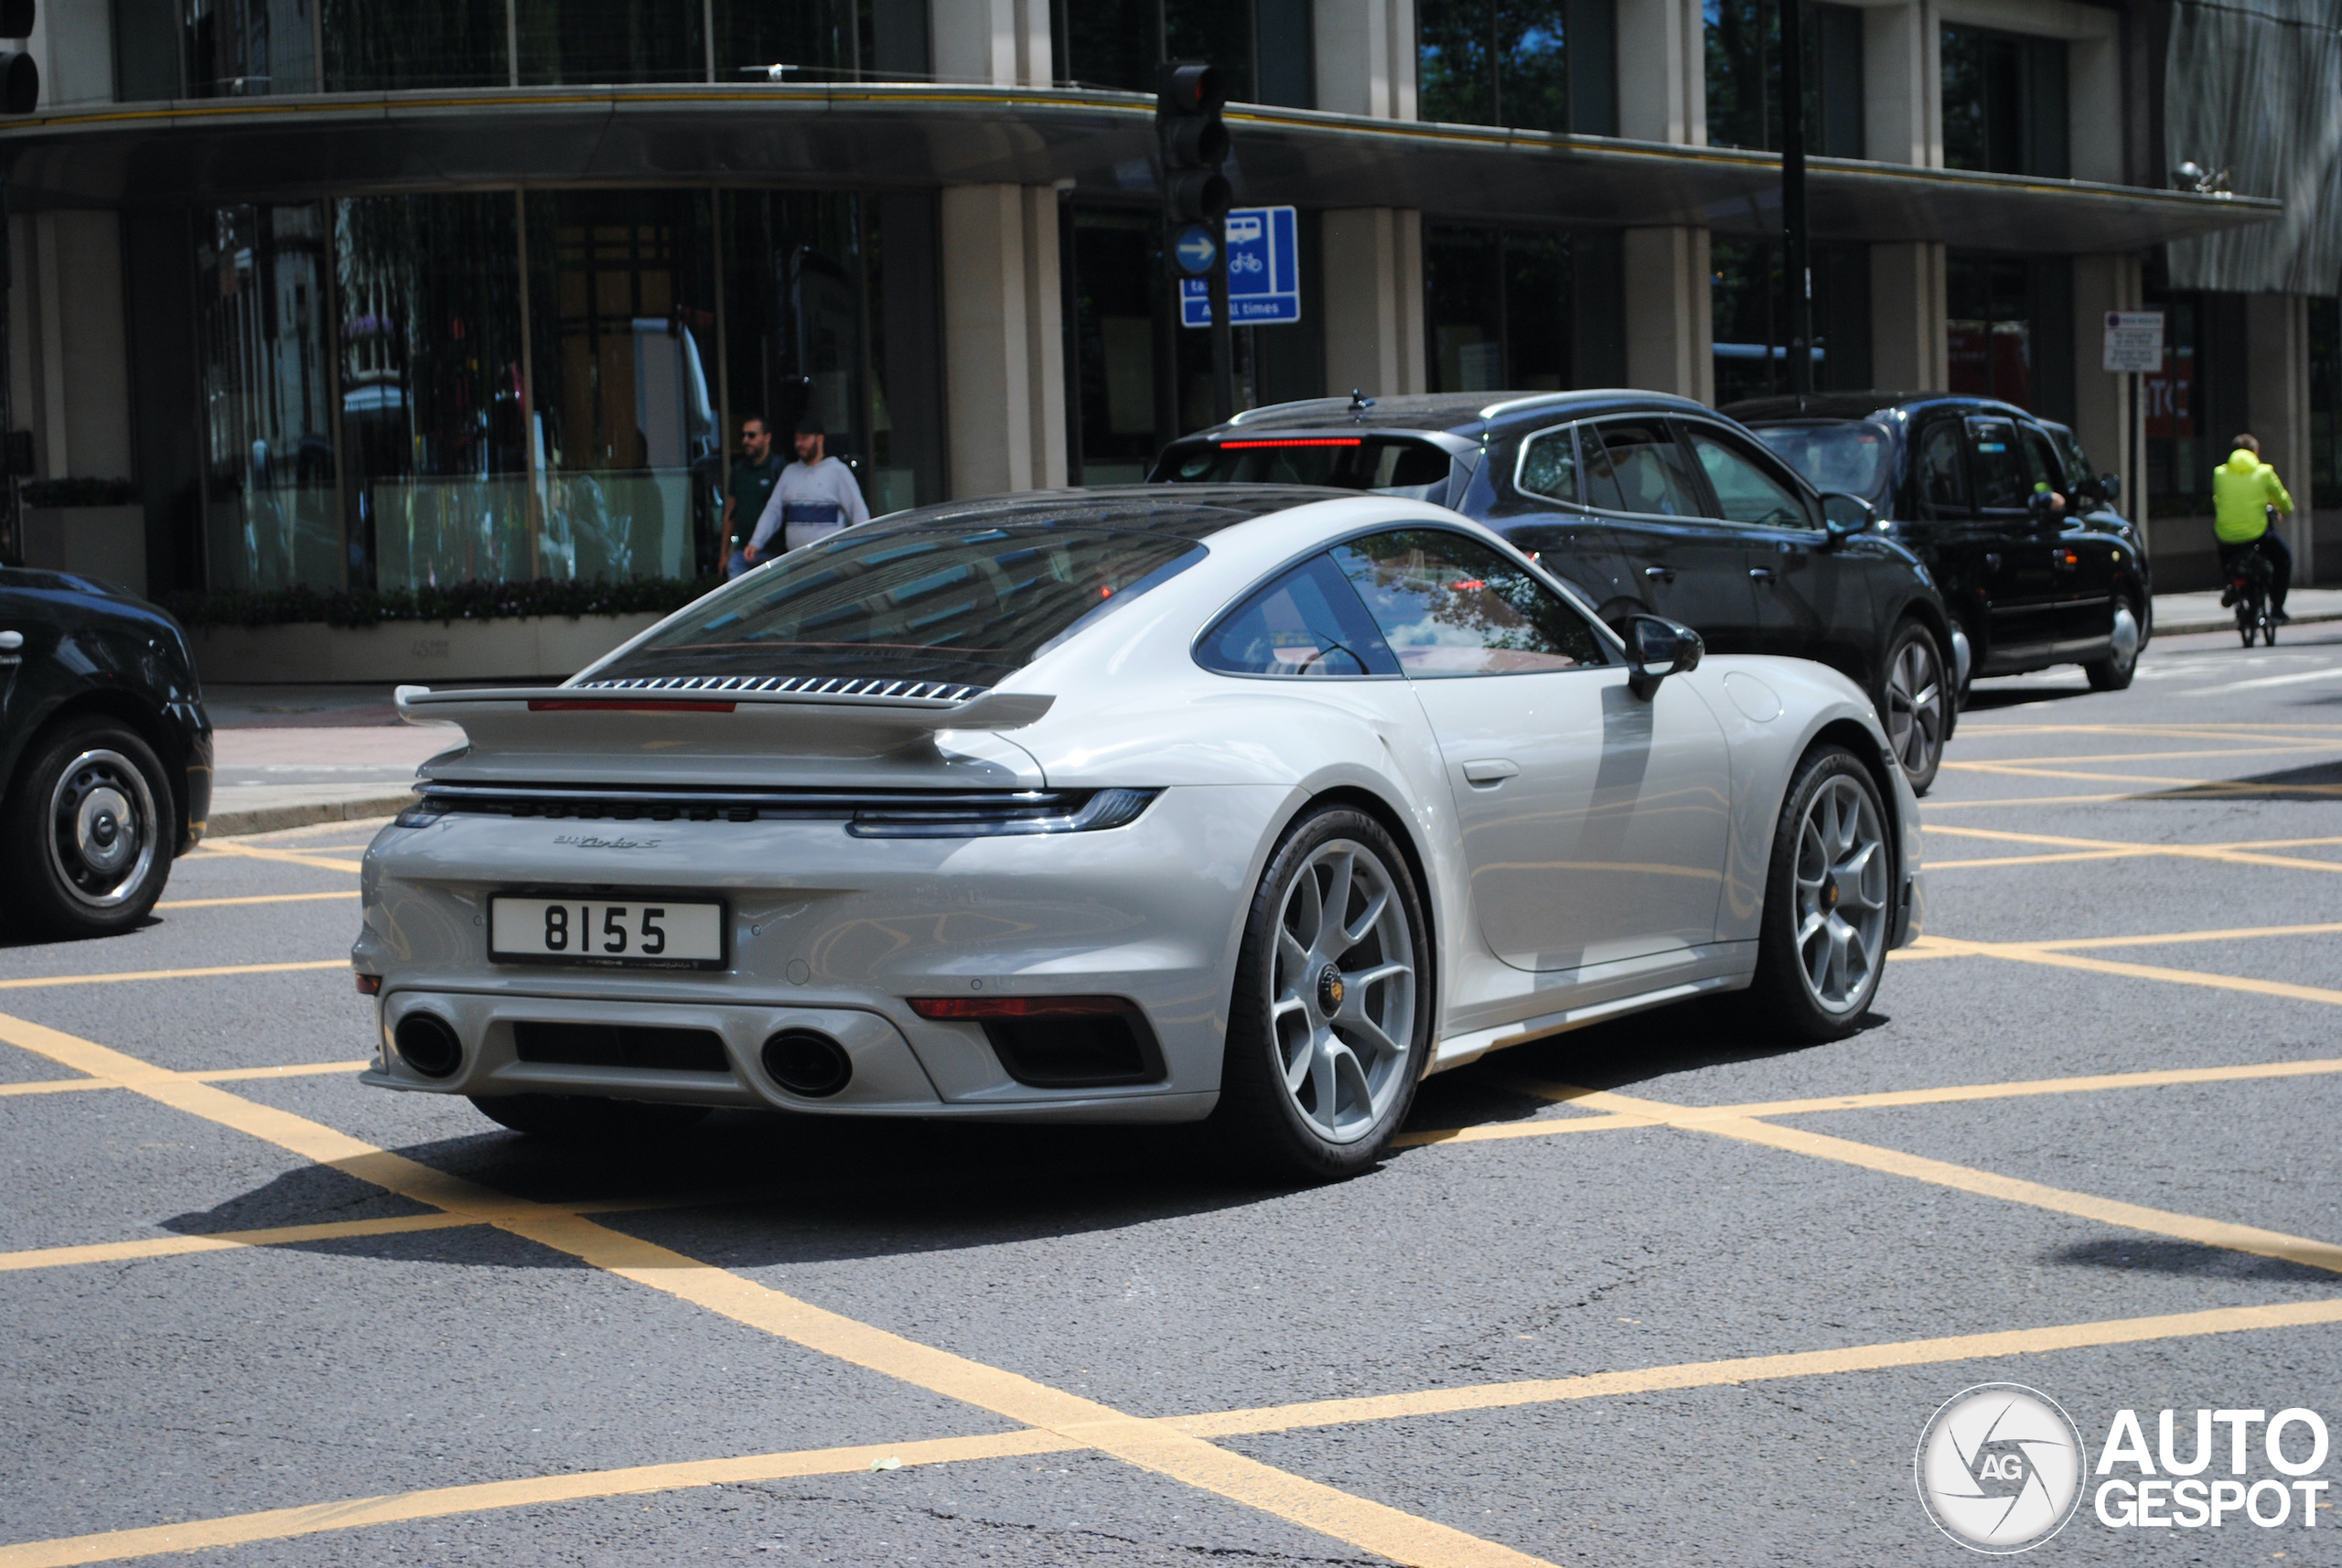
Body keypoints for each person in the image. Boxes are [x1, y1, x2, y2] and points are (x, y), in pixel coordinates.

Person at [744, 419, 870, 564]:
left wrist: (863, 549)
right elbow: (773, 511)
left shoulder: (838, 472)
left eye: (804, 439)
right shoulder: (789, 473)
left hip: (829, 560)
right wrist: (756, 542)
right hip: (796, 561)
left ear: (820, 439)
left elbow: (858, 512)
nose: (798, 444)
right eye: (797, 439)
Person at [2213, 433, 2294, 621]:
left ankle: (2232, 585)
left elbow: (2218, 500)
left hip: (2227, 534)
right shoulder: (2264, 472)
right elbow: (2285, 503)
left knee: (2226, 555)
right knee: (2284, 558)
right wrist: (2281, 510)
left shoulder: (2219, 473)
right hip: (2256, 533)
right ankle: (2277, 608)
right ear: (2256, 453)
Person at [721, 415, 780, 579]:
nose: (746, 440)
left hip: (773, 551)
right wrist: (724, 554)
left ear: (767, 437)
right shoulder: (739, 470)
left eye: (752, 435)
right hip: (742, 551)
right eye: (743, 435)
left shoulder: (778, 468)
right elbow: (730, 514)